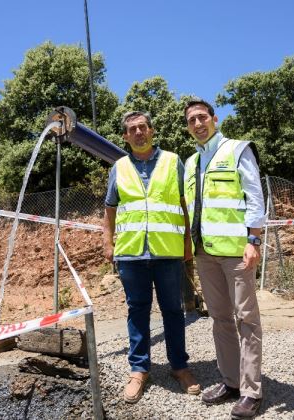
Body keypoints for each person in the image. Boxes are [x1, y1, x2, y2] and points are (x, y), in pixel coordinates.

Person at [103, 111, 200, 404]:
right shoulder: (118, 167)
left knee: (173, 311)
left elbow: (185, 204)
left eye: (143, 127)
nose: (139, 132)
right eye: (132, 129)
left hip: (168, 252)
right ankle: (139, 370)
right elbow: (110, 208)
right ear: (125, 136)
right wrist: (108, 243)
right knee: (137, 311)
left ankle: (179, 367)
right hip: (131, 253)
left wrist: (187, 242)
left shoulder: (173, 161)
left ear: (152, 130)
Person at [183, 98, 265, 419]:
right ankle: (230, 381)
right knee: (219, 319)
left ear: (215, 119)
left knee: (247, 319)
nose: (198, 123)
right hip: (205, 253)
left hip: (236, 252)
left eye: (202, 117)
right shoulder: (191, 163)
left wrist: (254, 239)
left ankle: (251, 391)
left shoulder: (237, 150)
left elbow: (255, 196)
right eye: (192, 120)